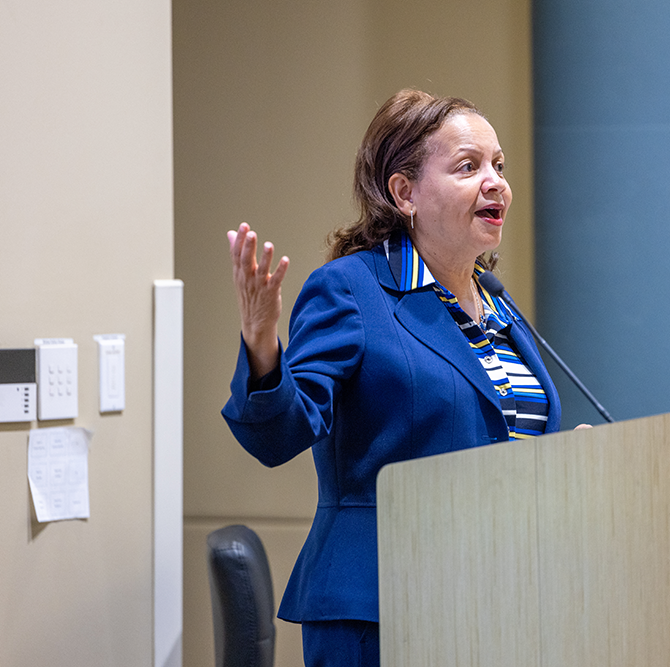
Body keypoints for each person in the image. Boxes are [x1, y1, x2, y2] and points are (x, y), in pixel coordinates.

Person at [222, 89, 562, 667]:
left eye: (499, 166)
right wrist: (261, 346)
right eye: (468, 166)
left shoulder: (501, 309)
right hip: (382, 607)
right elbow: (278, 436)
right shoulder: (351, 290)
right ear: (404, 192)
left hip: (497, 601)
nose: (496, 182)